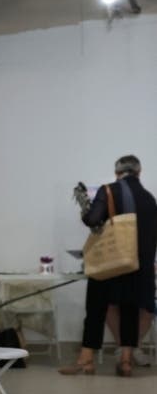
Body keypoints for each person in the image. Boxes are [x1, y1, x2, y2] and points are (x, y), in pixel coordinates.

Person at [59, 154, 156, 377]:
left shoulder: (109, 190)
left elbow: (92, 220)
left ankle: (86, 360)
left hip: (110, 264)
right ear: (139, 172)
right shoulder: (149, 199)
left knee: (96, 310)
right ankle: (126, 362)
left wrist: (85, 209)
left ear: (117, 173)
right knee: (130, 311)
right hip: (137, 267)